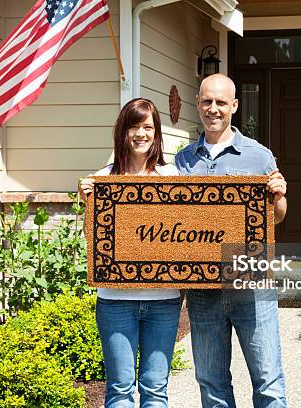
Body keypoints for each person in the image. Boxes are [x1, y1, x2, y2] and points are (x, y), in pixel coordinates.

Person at [174, 73, 288, 408]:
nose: (213, 109)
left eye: (221, 102)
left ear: (234, 106)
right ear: (197, 104)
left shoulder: (259, 156)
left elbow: (277, 216)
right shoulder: (183, 160)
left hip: (251, 288)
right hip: (203, 293)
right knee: (212, 386)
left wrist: (278, 196)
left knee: (268, 384)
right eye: (207, 101)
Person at [79, 98, 181, 408]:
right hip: (115, 300)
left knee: (155, 388)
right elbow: (92, 240)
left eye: (148, 127)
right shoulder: (103, 179)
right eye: (134, 126)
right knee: (120, 388)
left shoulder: (173, 178)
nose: (141, 133)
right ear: (123, 131)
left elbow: (184, 237)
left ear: (157, 133)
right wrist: (89, 205)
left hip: (164, 300)